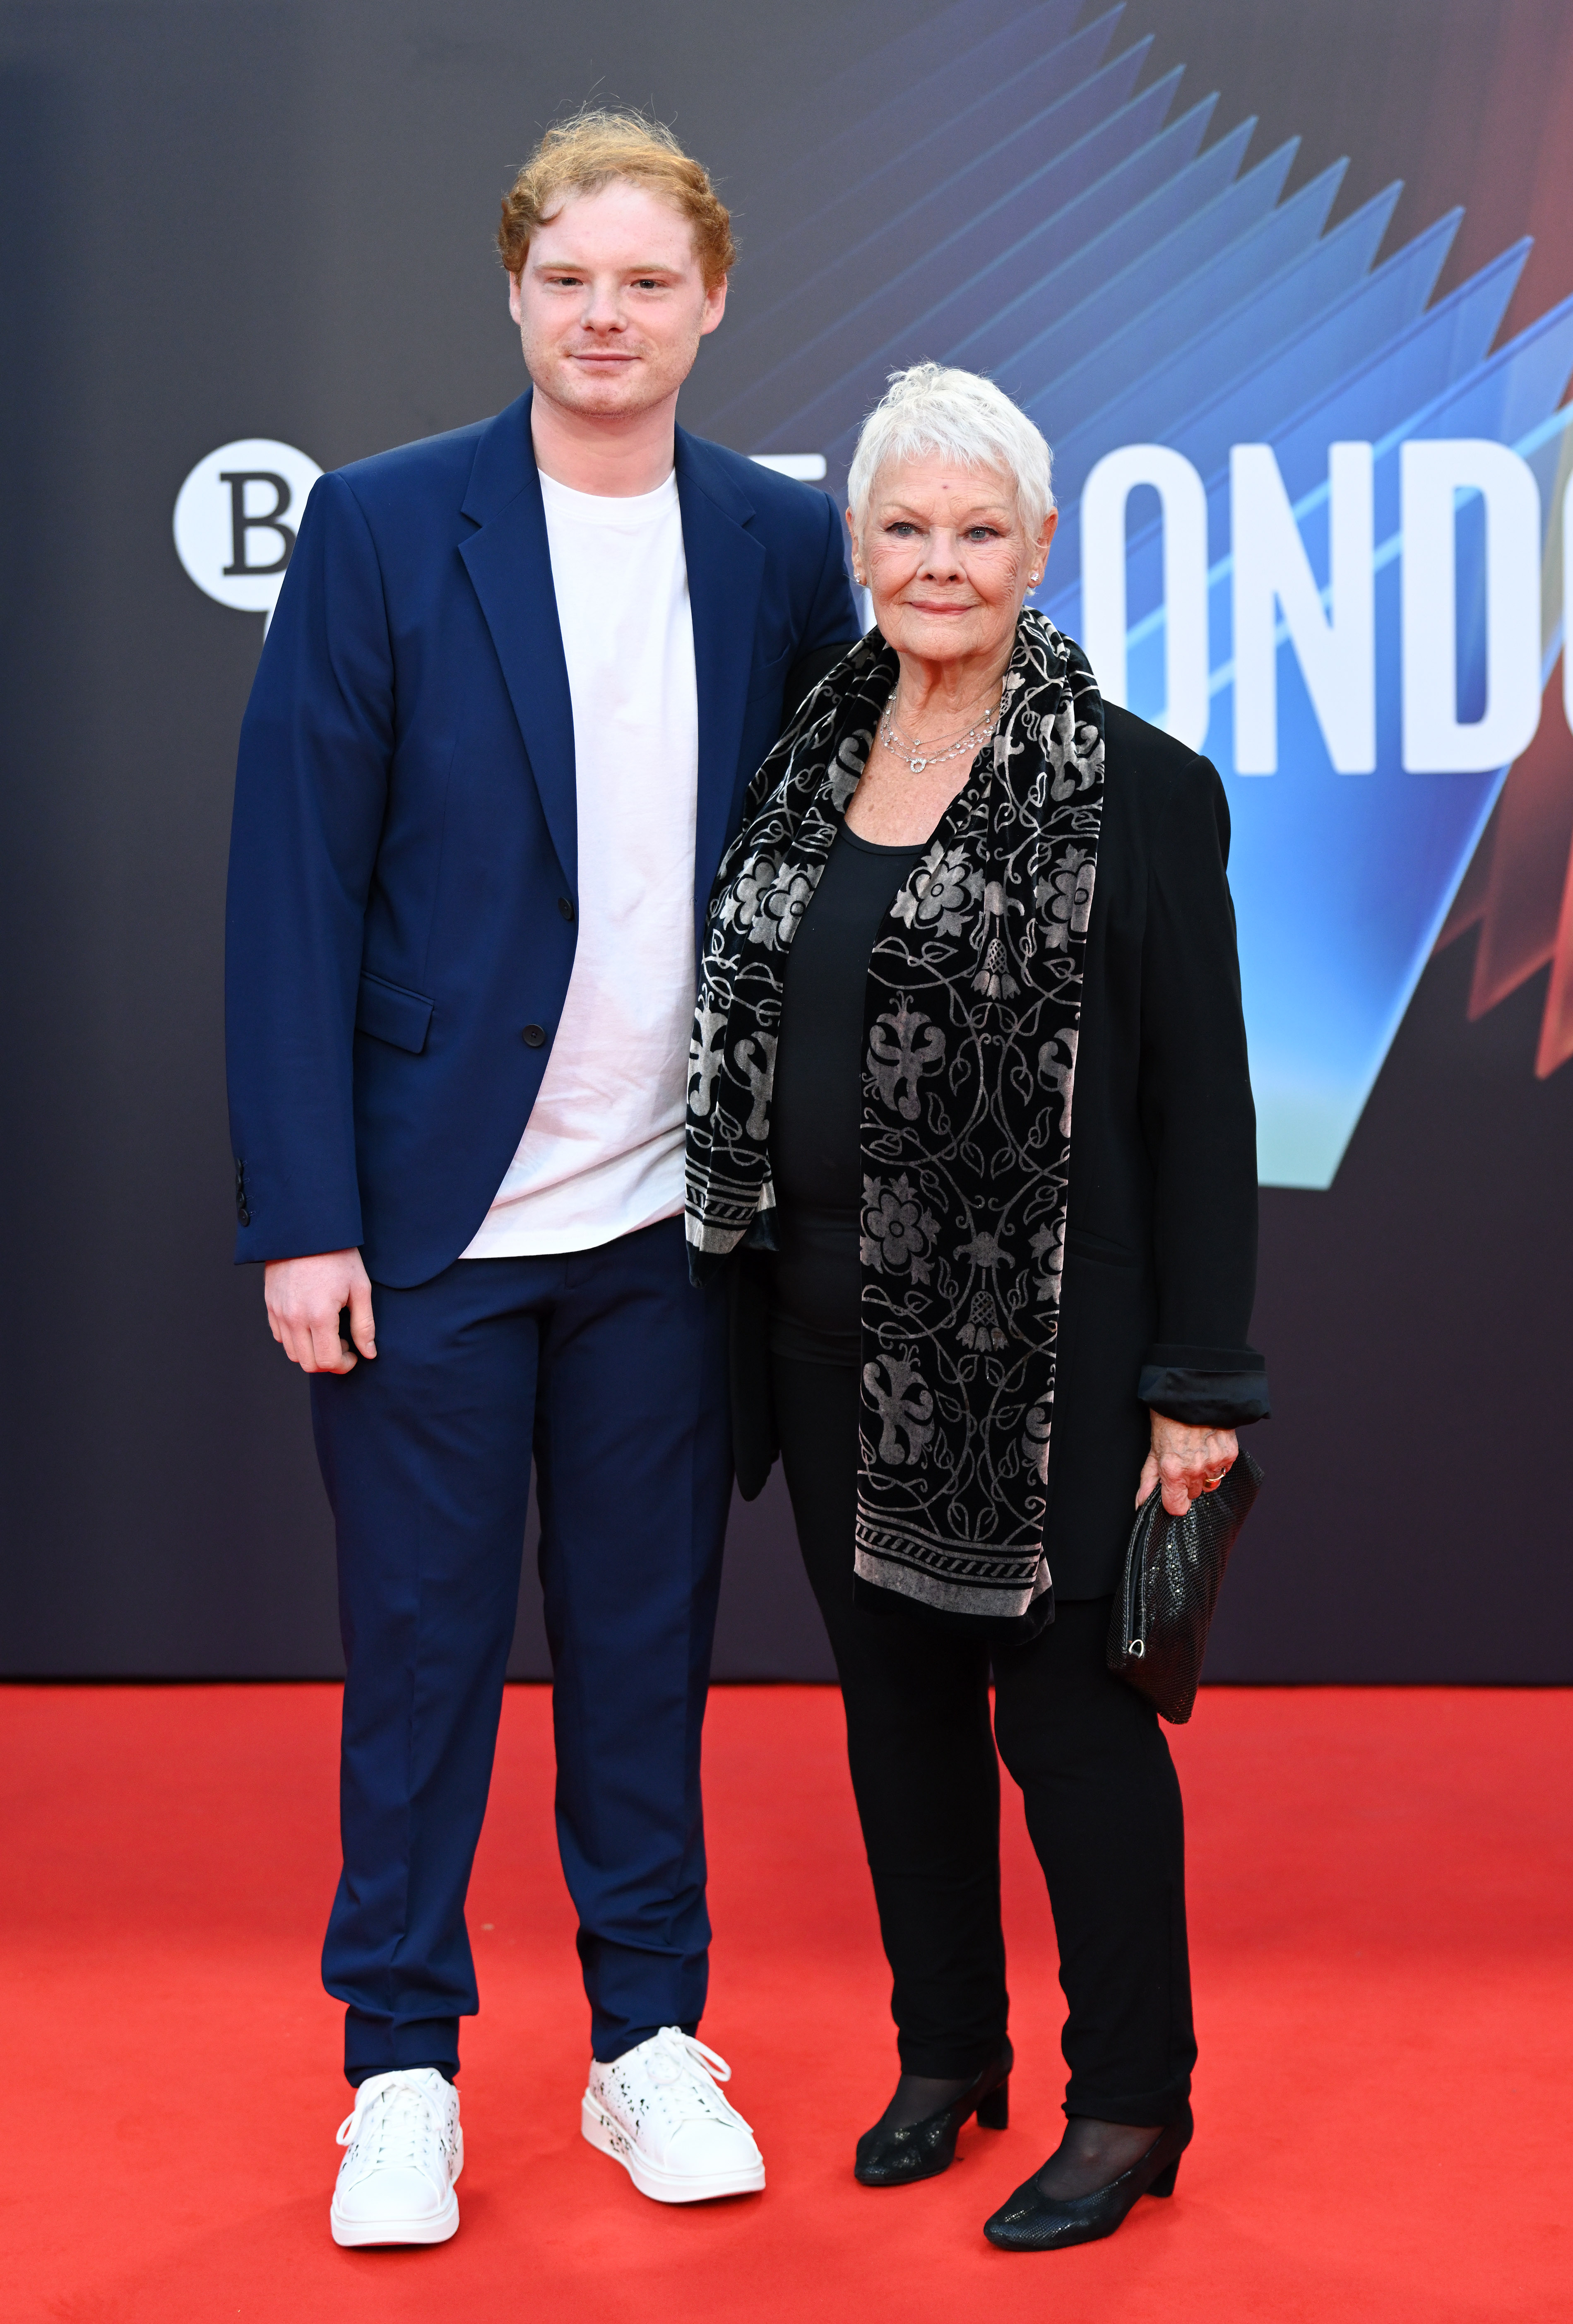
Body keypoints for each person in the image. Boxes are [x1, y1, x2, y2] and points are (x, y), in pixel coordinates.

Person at [225, 110, 859, 2246]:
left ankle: (641, 2046)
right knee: (417, 1664)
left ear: (710, 303)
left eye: (647, 283)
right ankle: (397, 2066)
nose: (607, 317)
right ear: (515, 289)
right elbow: (292, 891)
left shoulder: (774, 545)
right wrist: (305, 1214)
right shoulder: (388, 530)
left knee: (641, 1652)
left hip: (668, 1233)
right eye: (570, 278)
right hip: (425, 1232)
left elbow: (818, 857)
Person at [686, 363, 1268, 2253]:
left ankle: (1127, 2103)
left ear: (1037, 548)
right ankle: (948, 2054)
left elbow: (1202, 1110)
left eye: (978, 530)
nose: (939, 563)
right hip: (818, 1338)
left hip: (1053, 1366)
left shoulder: (1139, 791)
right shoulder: (800, 757)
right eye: (905, 527)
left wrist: (1196, 1384)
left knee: (1071, 1740)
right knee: (895, 1727)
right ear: (858, 544)